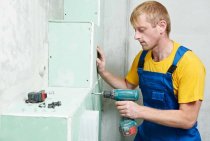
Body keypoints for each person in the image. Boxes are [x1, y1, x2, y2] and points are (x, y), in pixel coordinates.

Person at [97, 1, 206, 141]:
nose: (136, 36)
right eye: (135, 30)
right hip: (147, 136)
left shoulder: (189, 64)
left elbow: (188, 119)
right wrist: (103, 71)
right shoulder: (142, 58)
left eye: (141, 30)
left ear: (161, 26)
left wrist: (139, 111)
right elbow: (127, 86)